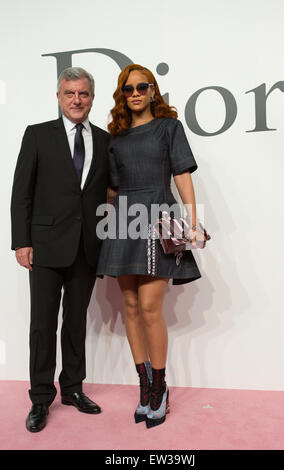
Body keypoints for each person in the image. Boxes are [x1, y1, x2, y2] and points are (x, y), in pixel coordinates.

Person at [96, 64, 206, 428]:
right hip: (123, 219)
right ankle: (144, 387)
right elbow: (112, 189)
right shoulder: (116, 138)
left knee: (149, 306)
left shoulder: (169, 127)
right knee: (129, 305)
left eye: (142, 86)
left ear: (153, 90)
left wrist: (191, 221)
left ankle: (160, 387)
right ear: (122, 95)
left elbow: (182, 174)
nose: (136, 93)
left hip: (158, 214)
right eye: (128, 89)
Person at [10, 67, 110, 432]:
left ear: (92, 98)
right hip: (45, 246)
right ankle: (40, 398)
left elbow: (107, 196)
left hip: (87, 246)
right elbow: (21, 192)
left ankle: (72, 388)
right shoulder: (37, 135)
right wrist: (21, 241)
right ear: (58, 97)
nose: (77, 100)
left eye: (83, 93)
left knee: (76, 323)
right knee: (42, 325)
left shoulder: (104, 139)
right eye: (69, 93)